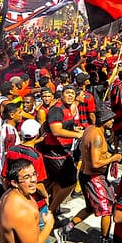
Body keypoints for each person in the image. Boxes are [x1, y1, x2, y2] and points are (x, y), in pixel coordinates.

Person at [54, 105, 121, 243]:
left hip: (87, 176)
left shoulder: (91, 129)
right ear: (103, 120)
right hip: (94, 178)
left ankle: (65, 229)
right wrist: (113, 158)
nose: (112, 121)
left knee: (90, 208)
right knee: (107, 209)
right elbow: (96, 163)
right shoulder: (96, 136)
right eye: (110, 119)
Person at [38, 85, 83, 215]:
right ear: (61, 95)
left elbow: (65, 126)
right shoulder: (57, 110)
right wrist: (77, 135)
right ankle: (51, 210)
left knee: (56, 181)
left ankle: (52, 207)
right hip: (55, 151)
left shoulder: (67, 109)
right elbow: (56, 130)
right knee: (71, 181)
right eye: (68, 93)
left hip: (62, 150)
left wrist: (76, 129)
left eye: (72, 93)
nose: (70, 95)